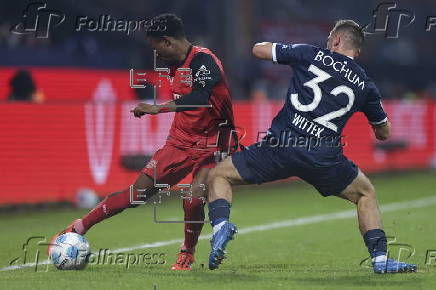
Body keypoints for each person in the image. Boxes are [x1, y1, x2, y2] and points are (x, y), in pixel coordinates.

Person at [206, 20, 417, 274]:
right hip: (323, 157)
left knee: (219, 175)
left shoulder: (310, 53)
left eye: (330, 37)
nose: (328, 41)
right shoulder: (365, 84)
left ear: (337, 40)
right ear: (357, 51)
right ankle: (381, 260)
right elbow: (384, 133)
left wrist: (289, 51)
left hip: (281, 145)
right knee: (365, 194)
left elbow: (258, 50)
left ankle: (220, 227)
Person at [50, 13, 237, 271]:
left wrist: (157, 108)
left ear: (168, 41)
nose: (155, 54)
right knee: (135, 194)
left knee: (193, 198)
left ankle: (187, 252)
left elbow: (201, 97)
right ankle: (80, 225)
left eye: (156, 47)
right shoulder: (172, 64)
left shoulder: (204, 61)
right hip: (180, 140)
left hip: (214, 142)